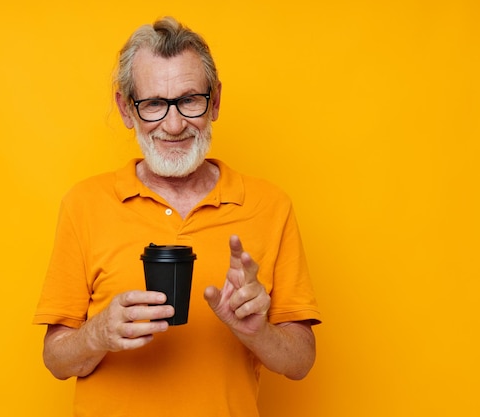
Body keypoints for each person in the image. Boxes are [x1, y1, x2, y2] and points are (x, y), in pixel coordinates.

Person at [33, 16, 321, 417]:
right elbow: (57, 360)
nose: (173, 124)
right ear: (126, 109)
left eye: (189, 100)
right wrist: (99, 333)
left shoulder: (269, 206)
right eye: (153, 104)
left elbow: (300, 362)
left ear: (215, 101)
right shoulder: (85, 203)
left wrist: (259, 332)